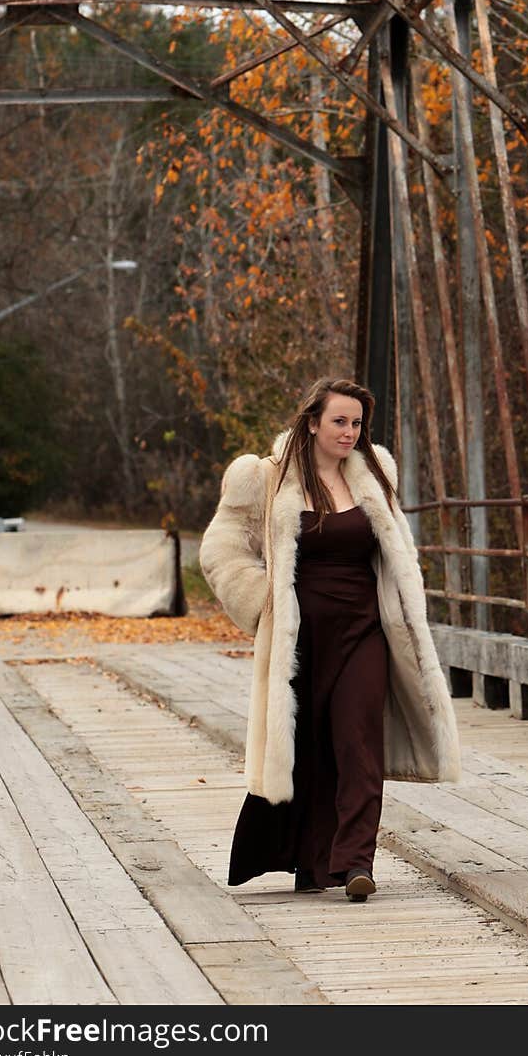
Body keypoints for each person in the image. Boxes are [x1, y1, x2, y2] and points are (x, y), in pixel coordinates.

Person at [199, 375, 461, 902]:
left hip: (365, 629)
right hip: (301, 637)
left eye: (357, 424)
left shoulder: (375, 474)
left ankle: (356, 862)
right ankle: (315, 862)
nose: (349, 432)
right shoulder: (265, 479)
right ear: (313, 421)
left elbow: (397, 555)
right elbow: (220, 551)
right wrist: (263, 604)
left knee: (359, 740)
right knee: (311, 748)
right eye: (339, 421)